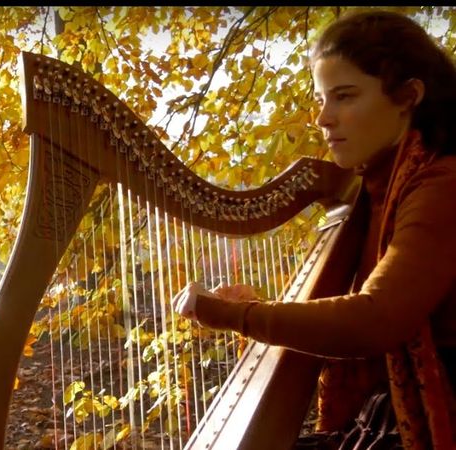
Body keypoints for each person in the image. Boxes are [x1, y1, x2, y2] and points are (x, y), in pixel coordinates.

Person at [171, 9, 456, 450]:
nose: (324, 118)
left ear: (408, 97)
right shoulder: (380, 186)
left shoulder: (441, 183)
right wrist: (263, 308)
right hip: (390, 417)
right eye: (322, 99)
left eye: (343, 96)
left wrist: (233, 316)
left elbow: (373, 319)